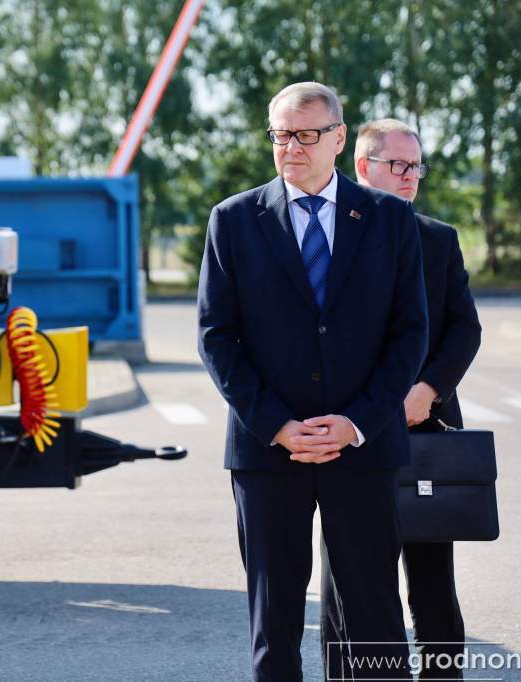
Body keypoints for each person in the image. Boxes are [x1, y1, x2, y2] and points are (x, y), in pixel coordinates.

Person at [197, 82, 428, 681]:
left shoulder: (388, 219)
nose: (291, 147)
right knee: (273, 628)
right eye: (281, 135)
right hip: (269, 452)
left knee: (376, 623)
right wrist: (277, 425)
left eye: (305, 135)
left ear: (338, 138)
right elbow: (216, 338)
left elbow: (409, 336)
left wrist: (355, 423)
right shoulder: (233, 220)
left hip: (364, 447)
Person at [318, 118, 482, 680]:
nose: (411, 177)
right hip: (348, 436)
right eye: (399, 165)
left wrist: (429, 391)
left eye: (417, 166)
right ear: (364, 167)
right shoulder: (330, 237)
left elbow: (464, 329)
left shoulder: (437, 238)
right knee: (346, 585)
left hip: (425, 433)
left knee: (434, 580)